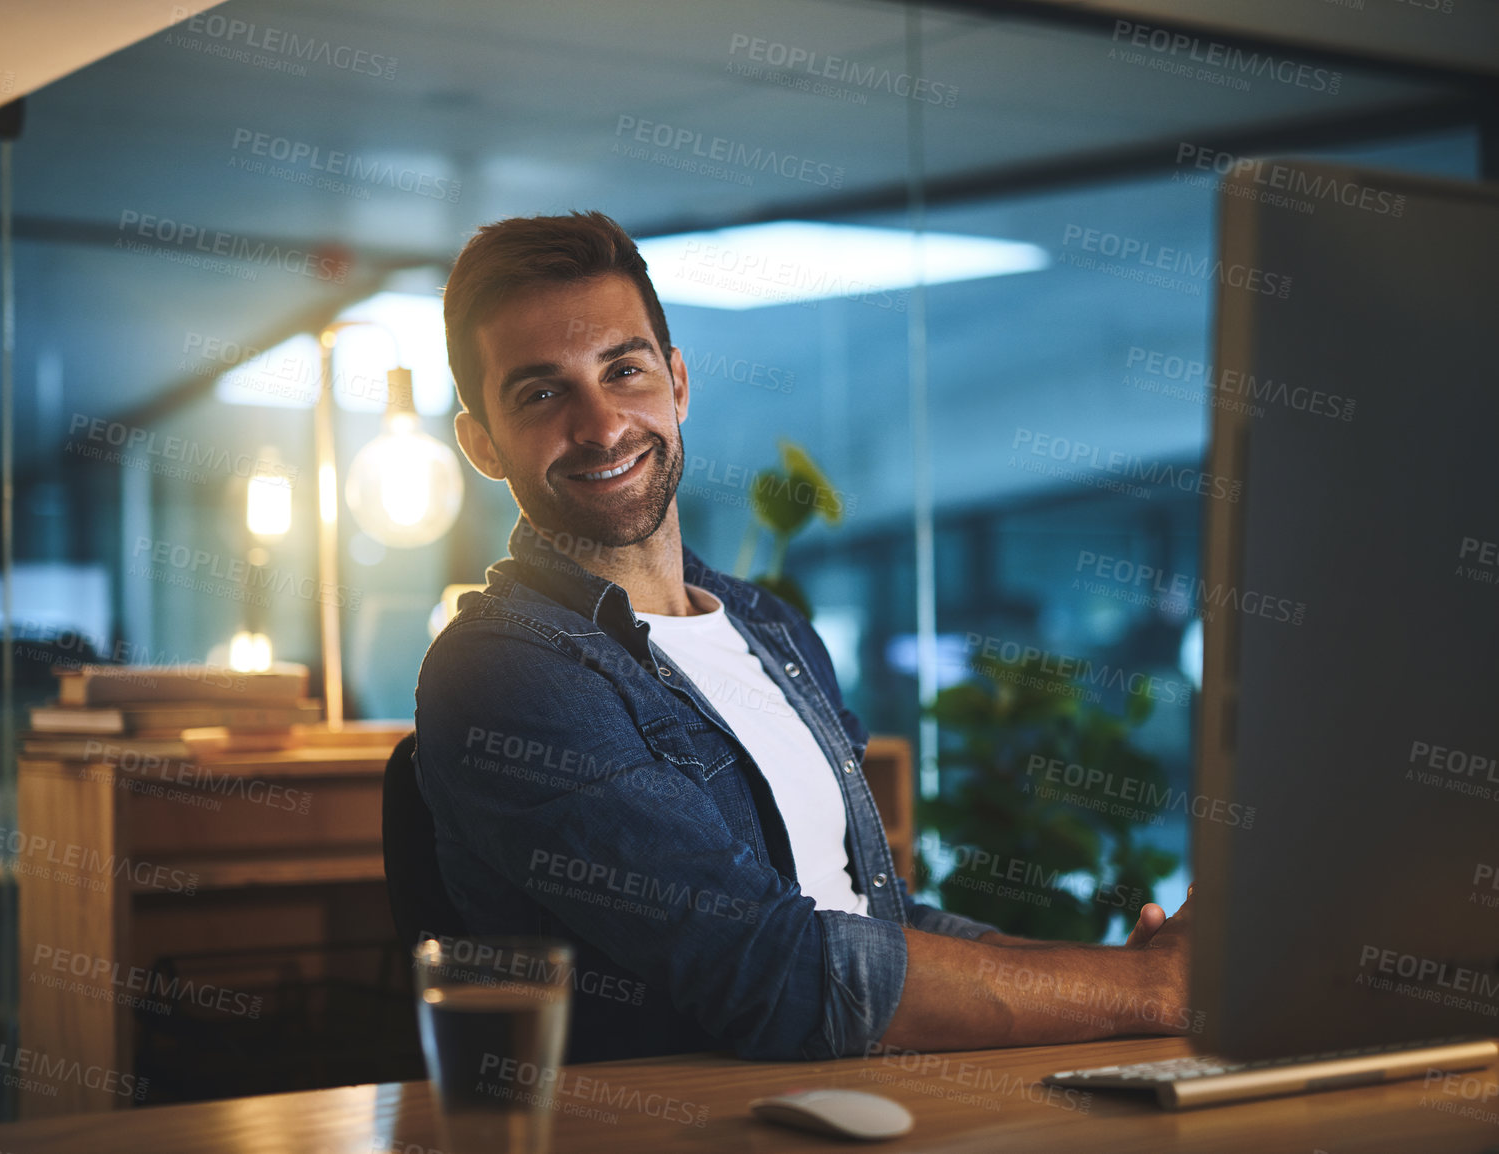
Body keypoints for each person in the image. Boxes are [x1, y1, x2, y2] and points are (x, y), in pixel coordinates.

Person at [413, 210, 1191, 1063]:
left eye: (623, 370)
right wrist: (1153, 991)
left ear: (677, 382)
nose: (601, 425)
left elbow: (875, 917)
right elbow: (771, 971)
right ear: (482, 443)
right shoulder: (504, 671)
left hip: (877, 1099)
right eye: (542, 393)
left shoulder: (769, 627)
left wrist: (1123, 975)